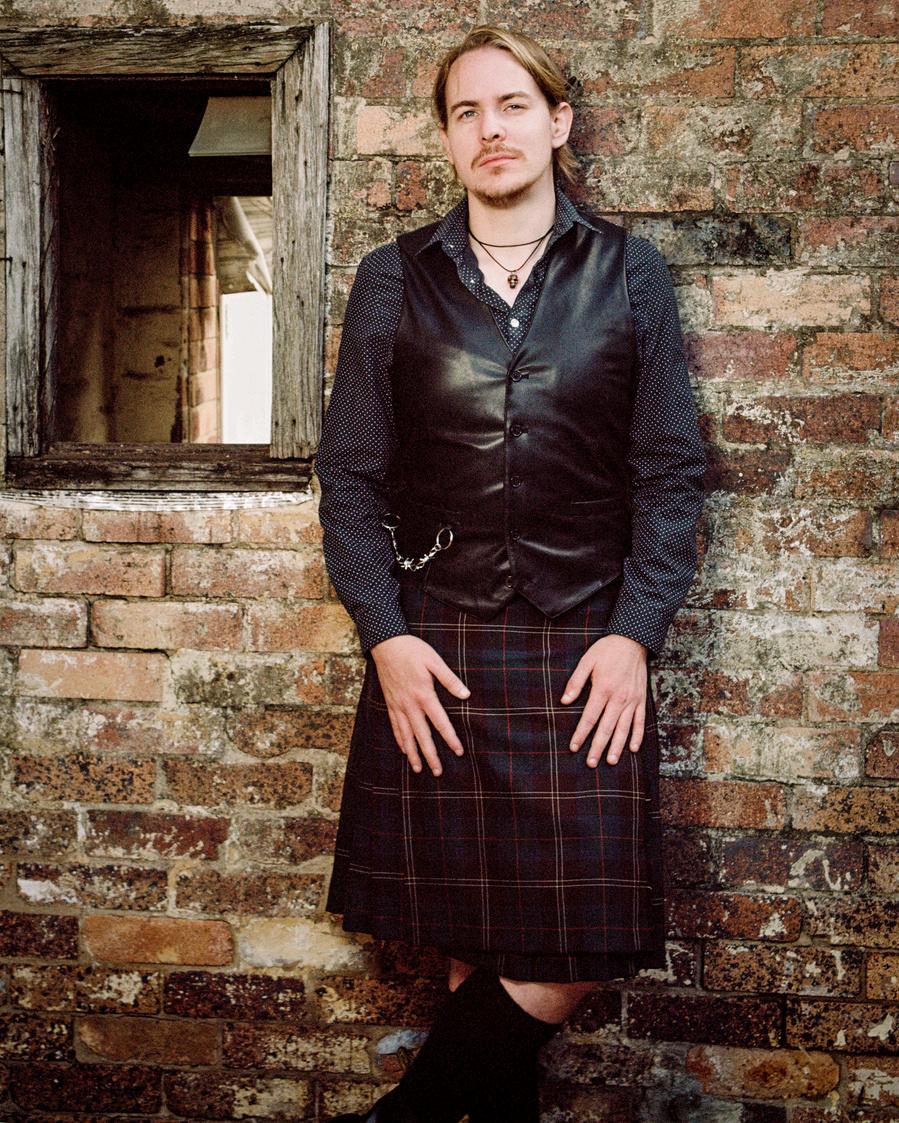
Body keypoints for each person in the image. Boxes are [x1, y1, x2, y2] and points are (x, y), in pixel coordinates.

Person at [314, 23, 706, 1123]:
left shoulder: (627, 271)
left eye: (513, 105)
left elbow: (669, 472)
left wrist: (633, 632)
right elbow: (349, 478)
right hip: (438, 645)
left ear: (557, 123)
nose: (490, 129)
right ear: (446, 137)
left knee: (571, 944)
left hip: (584, 646)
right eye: (466, 111)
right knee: (472, 941)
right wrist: (387, 635)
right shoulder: (393, 278)